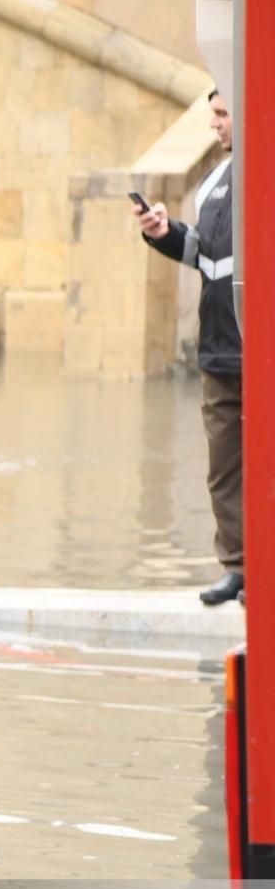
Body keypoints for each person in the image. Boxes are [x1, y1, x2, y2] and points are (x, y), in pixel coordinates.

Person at [138, 89, 243, 606]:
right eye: (214, 116)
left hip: (260, 351)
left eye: (223, 115)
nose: (215, 126)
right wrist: (164, 233)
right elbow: (204, 255)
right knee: (224, 467)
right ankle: (239, 569)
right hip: (219, 351)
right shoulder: (212, 186)